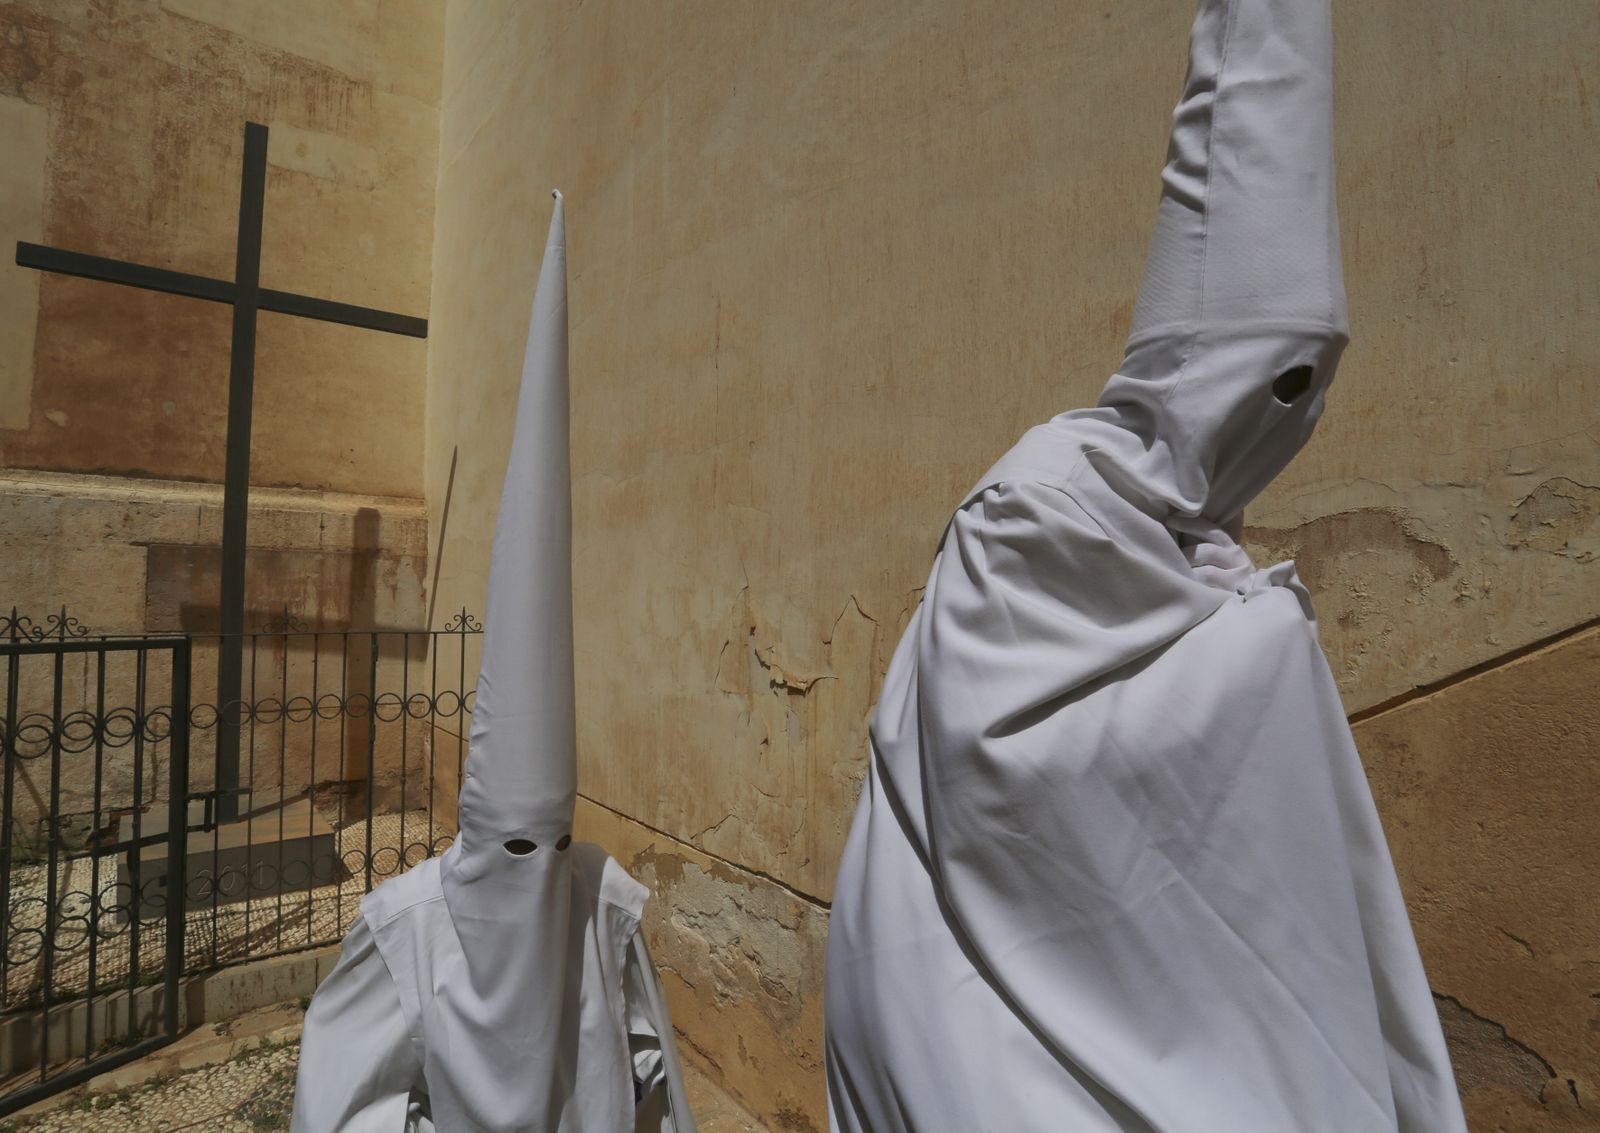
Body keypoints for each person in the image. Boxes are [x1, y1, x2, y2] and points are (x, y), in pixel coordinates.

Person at [823, 1, 1468, 1129]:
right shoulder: (1043, 508)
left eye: (1299, 393)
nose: (1277, 426)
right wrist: (1256, 635)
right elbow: (1018, 763)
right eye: (1272, 383)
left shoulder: (1170, 543)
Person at [290, 193, 696, 1133]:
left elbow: (654, 1084)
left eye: (551, 846)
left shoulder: (597, 904)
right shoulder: (408, 929)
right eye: (516, 848)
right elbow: (341, 1107)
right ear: (473, 830)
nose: (539, 868)